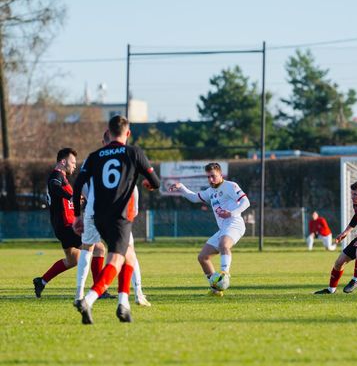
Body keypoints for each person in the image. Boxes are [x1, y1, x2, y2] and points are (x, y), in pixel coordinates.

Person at [72, 115, 160, 324]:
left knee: (128, 255)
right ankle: (88, 300)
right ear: (128, 133)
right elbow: (155, 182)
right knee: (116, 260)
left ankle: (123, 304)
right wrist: (148, 185)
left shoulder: (94, 156)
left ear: (109, 133)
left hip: (98, 216)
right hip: (120, 216)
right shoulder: (134, 152)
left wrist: (77, 215)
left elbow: (77, 185)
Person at [168, 163, 250, 297]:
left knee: (224, 245)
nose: (211, 179)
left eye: (213, 176)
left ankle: (225, 273)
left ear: (221, 174)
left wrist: (231, 213)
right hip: (223, 228)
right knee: (203, 257)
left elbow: (246, 202)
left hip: (235, 224)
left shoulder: (230, 186)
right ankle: (216, 288)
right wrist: (181, 187)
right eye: (208, 177)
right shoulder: (210, 191)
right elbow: (194, 197)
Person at [33, 148, 81, 298]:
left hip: (63, 226)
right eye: (73, 162)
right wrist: (71, 197)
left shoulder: (63, 178)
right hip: (67, 226)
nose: (74, 166)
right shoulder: (56, 175)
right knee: (98, 248)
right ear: (63, 161)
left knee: (73, 260)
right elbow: (54, 186)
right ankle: (100, 290)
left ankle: (41, 281)